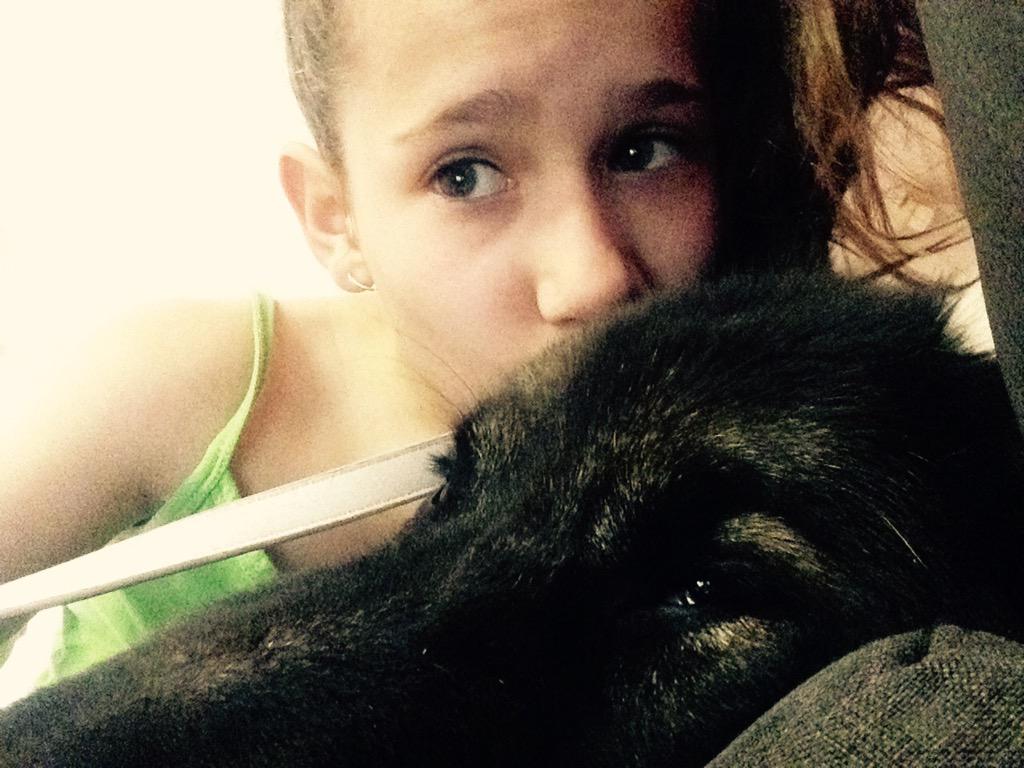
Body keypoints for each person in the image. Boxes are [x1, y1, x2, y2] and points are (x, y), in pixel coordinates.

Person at [0, 0, 975, 693]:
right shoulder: (197, 379)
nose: (592, 277)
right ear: (335, 219)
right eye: (464, 174)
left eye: (643, 148)